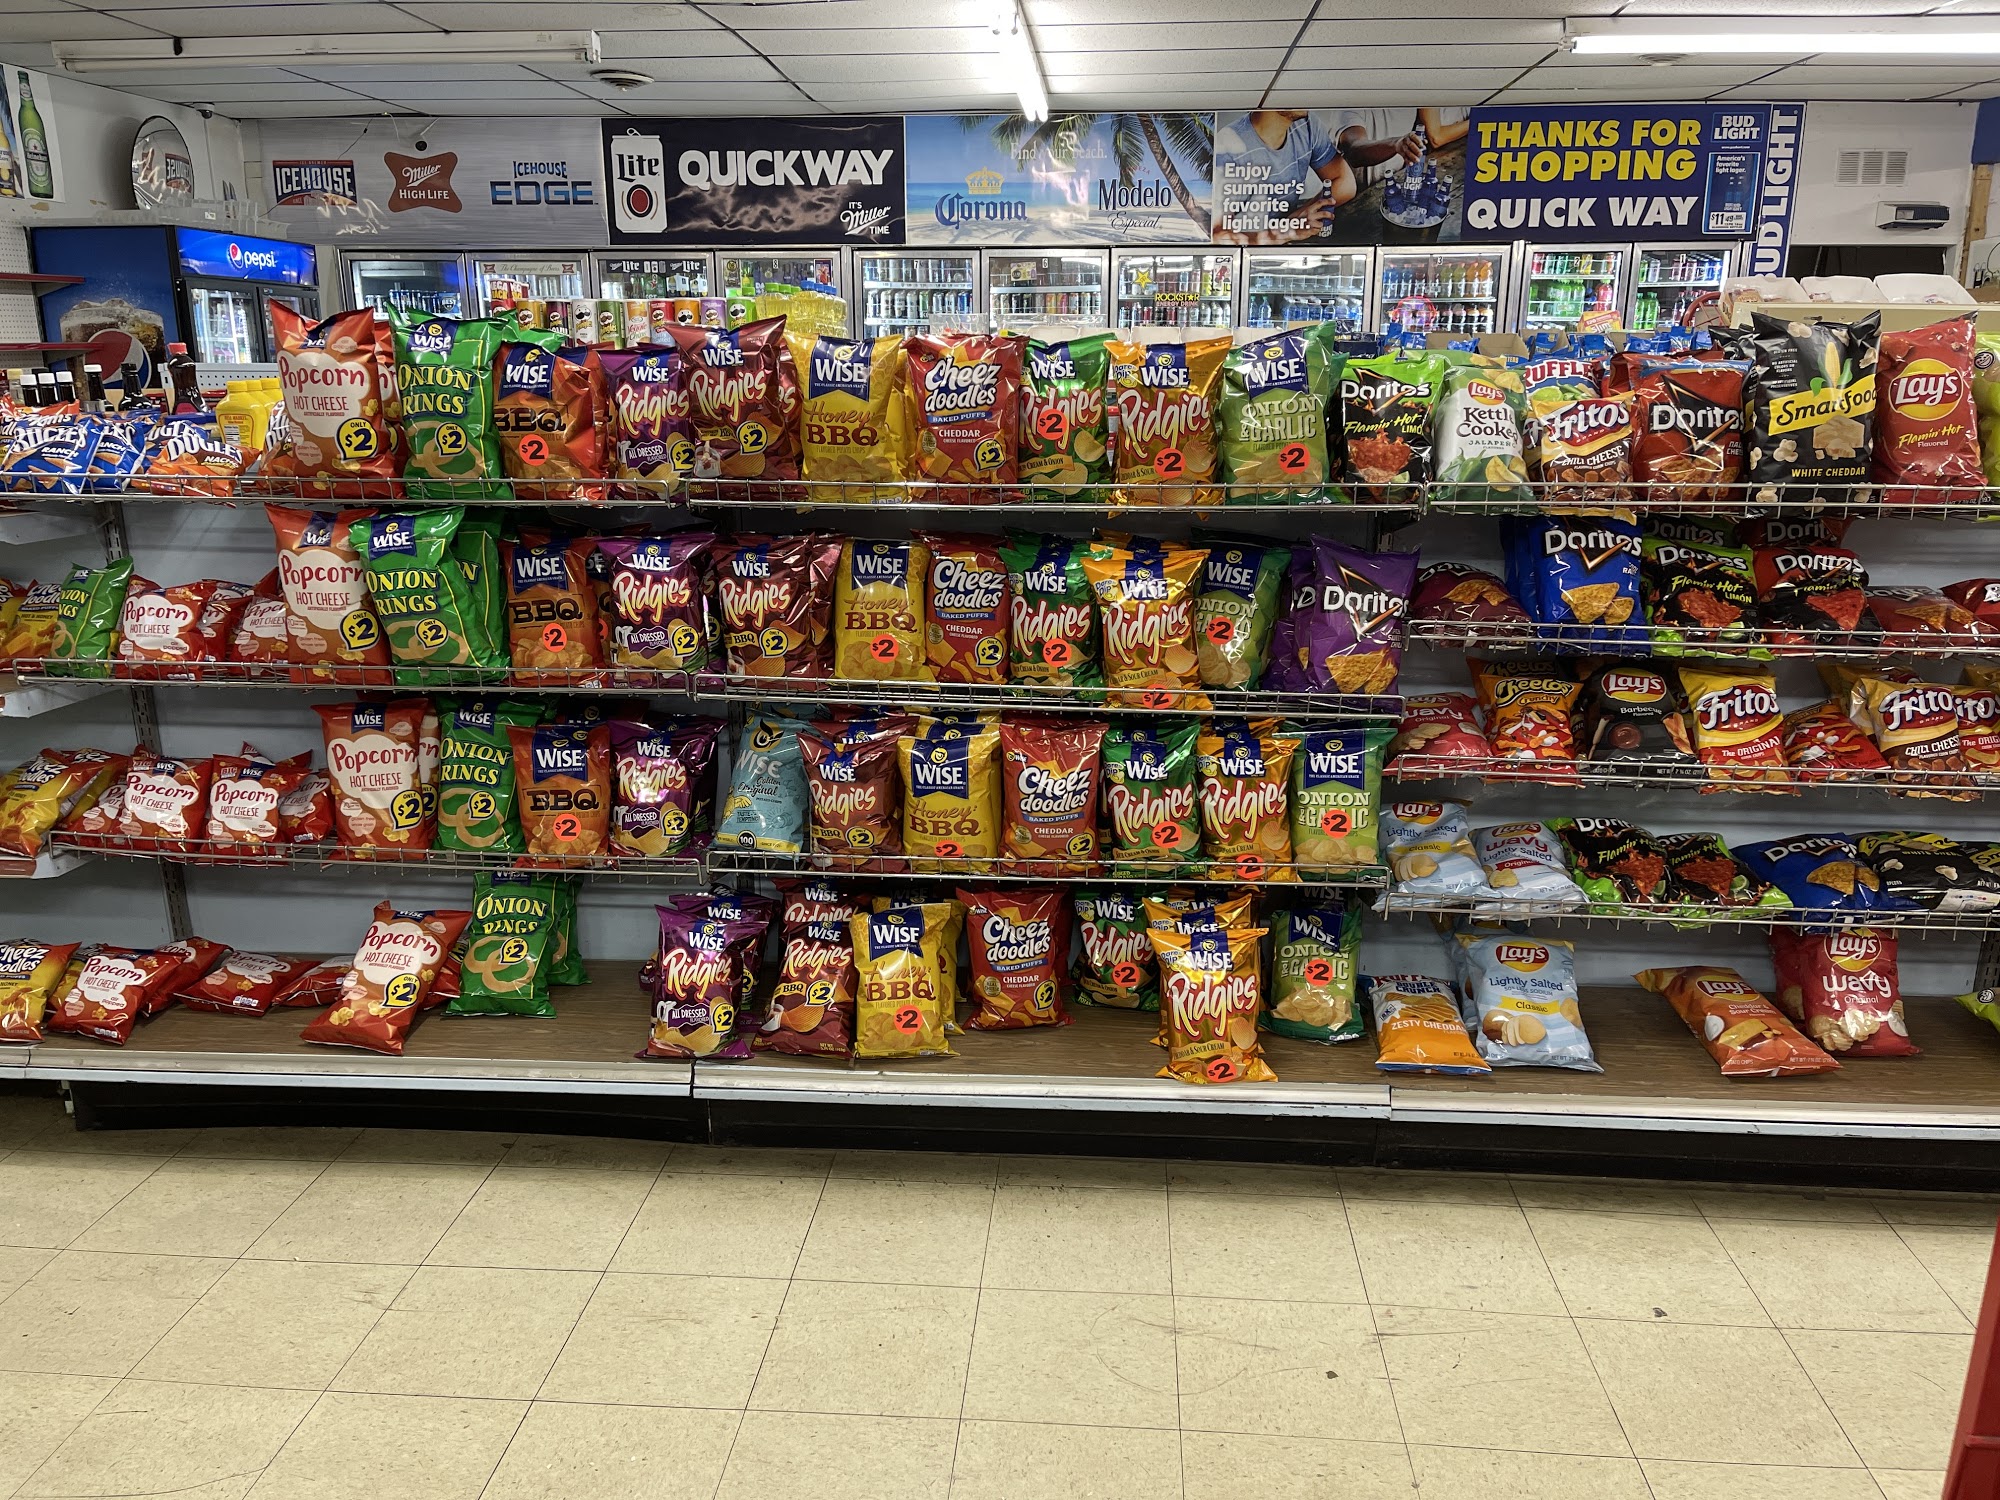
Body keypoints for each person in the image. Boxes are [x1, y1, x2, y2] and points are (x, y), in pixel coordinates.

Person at [1214, 109, 1426, 245]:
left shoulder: (1306, 124)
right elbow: (1216, 236)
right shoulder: (1229, 145)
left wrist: (1298, 218)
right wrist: (1285, 231)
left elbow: (1345, 183)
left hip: (1289, 246)